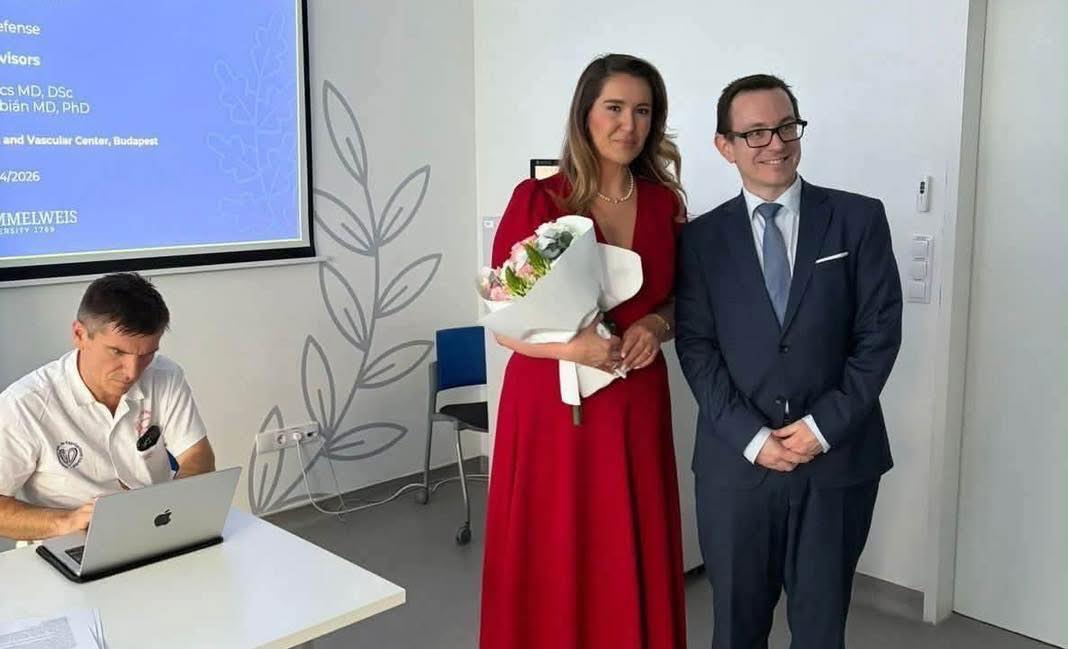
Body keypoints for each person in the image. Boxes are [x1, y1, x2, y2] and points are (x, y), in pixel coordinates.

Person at [675, 73, 903, 649]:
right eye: (755, 133)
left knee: (822, 627)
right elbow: (697, 347)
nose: (775, 144)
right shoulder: (700, 240)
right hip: (736, 466)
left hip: (837, 462)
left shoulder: (858, 219)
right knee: (736, 627)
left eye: (785, 127)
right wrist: (752, 438)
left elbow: (878, 335)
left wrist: (822, 428)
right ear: (724, 145)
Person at [479, 53, 687, 649]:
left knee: (627, 540)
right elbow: (503, 325)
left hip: (634, 400)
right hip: (549, 405)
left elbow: (680, 303)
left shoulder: (664, 205)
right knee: (551, 542)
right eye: (614, 108)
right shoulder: (538, 199)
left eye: (642, 111)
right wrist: (576, 349)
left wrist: (656, 324)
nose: (629, 124)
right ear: (585, 115)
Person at [0, 272, 216, 541]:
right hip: (69, 542)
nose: (132, 372)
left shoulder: (165, 376)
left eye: (147, 355)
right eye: (118, 352)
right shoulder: (24, 405)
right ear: (79, 334)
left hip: (155, 530)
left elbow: (197, 455)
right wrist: (67, 521)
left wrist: (175, 504)